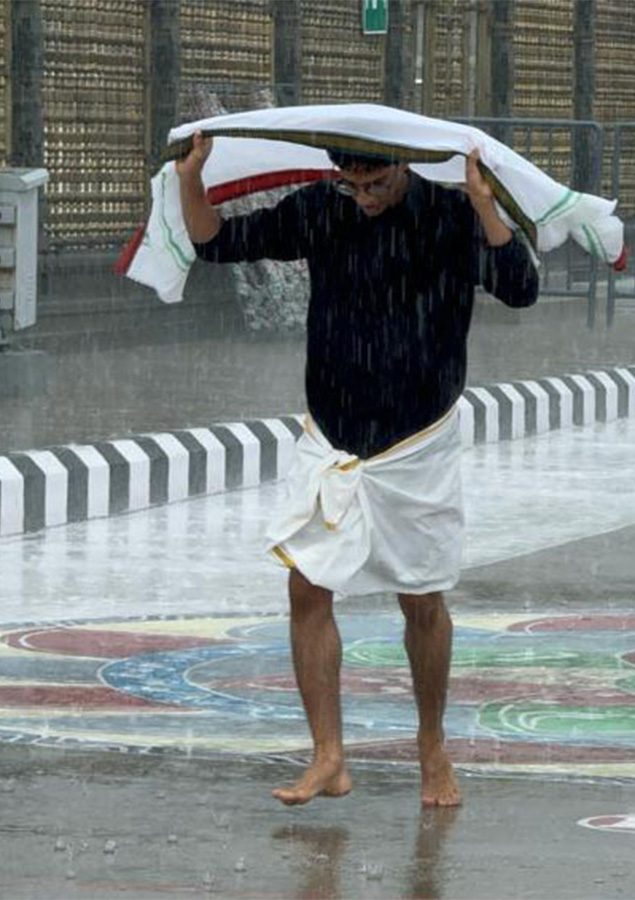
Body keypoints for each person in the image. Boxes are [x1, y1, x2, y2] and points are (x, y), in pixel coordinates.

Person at [176, 131, 539, 808]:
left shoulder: (448, 214)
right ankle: (328, 756)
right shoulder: (323, 207)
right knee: (306, 588)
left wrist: (487, 207)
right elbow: (215, 242)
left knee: (421, 598)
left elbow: (521, 288)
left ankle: (432, 750)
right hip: (334, 434)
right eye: (353, 184)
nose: (365, 198)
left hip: (418, 439)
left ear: (403, 165)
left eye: (377, 184)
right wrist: (191, 180)